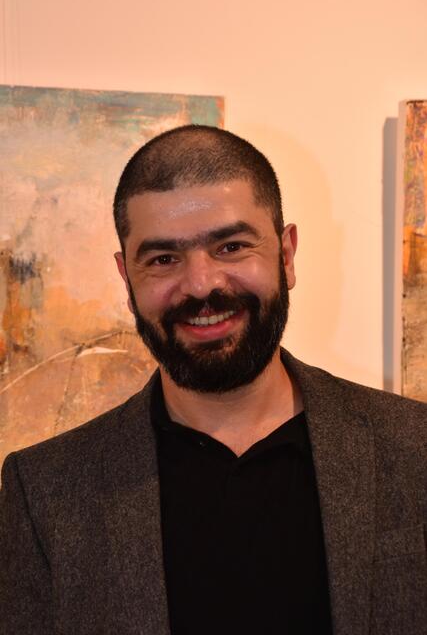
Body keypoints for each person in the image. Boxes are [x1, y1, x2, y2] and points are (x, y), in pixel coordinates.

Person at [0, 125, 425, 635]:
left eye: (231, 247)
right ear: (126, 278)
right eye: (163, 259)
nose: (201, 285)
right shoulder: (44, 491)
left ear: (286, 255)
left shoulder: (414, 447)